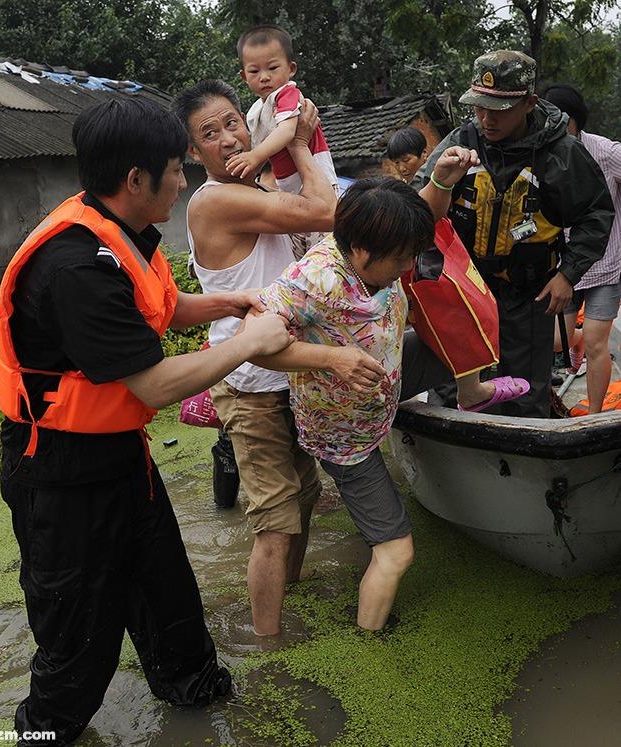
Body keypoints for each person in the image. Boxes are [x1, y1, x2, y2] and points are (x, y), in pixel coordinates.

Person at [0, 98, 293, 746]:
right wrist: (246, 340)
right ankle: (37, 735)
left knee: (168, 595)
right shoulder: (74, 268)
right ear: (136, 180)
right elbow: (152, 382)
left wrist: (227, 304)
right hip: (60, 471)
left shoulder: (120, 227)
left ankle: (196, 693)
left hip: (121, 454)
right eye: (177, 169)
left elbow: (161, 304)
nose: (185, 181)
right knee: (76, 645)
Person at [258, 178, 528, 630]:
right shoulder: (314, 279)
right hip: (346, 433)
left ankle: (472, 393)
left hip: (385, 381)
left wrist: (441, 177)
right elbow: (255, 342)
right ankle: (368, 640)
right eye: (402, 258)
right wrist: (331, 358)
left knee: (466, 330)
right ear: (363, 251)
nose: (408, 266)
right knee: (397, 552)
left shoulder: (378, 242)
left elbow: (423, 213)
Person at [174, 79, 384, 636]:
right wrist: (296, 142)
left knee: (306, 496)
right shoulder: (217, 199)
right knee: (274, 519)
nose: (227, 138)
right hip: (250, 379)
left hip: (289, 372)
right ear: (195, 154)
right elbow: (330, 210)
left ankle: (287, 596)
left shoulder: (258, 187)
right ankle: (268, 649)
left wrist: (297, 141)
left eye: (232, 123)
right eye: (209, 134)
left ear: (249, 123)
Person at [424, 50, 614, 417]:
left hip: (530, 292)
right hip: (464, 290)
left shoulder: (562, 153)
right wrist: (439, 181)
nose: (486, 118)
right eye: (479, 107)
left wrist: (567, 275)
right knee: (450, 388)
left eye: (499, 109)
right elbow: (417, 210)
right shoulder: (460, 142)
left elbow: (596, 214)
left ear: (529, 103)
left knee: (526, 395)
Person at [542, 84, 621, 413]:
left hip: (606, 262)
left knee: (596, 341)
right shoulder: (544, 155)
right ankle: (573, 343)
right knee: (555, 340)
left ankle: (593, 414)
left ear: (572, 122)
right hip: (567, 267)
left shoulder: (605, 152)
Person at [228, 24, 339, 255]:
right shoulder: (256, 110)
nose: (265, 77)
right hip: (292, 188)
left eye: (273, 67)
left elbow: (288, 132)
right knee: (302, 251)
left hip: (318, 182)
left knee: (326, 248)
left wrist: (254, 156)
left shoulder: (287, 94)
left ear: (291, 68)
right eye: (254, 71)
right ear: (243, 76)